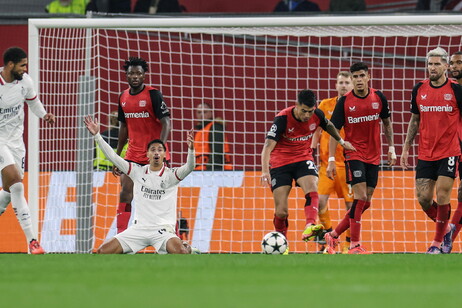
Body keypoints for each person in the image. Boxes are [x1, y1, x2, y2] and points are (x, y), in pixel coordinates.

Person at [84, 115, 196, 254]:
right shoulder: (137, 172)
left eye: (160, 150)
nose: (156, 152)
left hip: (163, 231)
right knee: (102, 252)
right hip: (138, 230)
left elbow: (190, 167)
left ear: (164, 154)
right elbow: (113, 157)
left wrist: (191, 150)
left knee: (181, 253)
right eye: (153, 150)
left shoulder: (171, 175)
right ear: (147, 154)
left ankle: (187, 248)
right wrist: (97, 136)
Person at [261, 89, 355, 252]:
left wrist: (341, 141)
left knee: (312, 186)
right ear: (296, 105)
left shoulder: (316, 115)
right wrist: (265, 171)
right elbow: (268, 146)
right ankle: (281, 243)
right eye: (303, 111)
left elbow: (329, 125)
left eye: (310, 111)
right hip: (280, 163)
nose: (306, 115)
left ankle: (310, 225)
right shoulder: (282, 118)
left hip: (302, 159)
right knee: (281, 211)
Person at [324, 62, 396, 255]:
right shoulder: (345, 101)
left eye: (361, 76)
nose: (358, 80)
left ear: (368, 77)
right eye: (355, 77)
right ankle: (354, 244)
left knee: (366, 201)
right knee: (360, 197)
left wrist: (391, 148)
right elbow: (333, 129)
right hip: (353, 153)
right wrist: (332, 157)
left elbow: (387, 123)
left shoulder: (378, 97)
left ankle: (334, 234)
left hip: (374, 156)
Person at [400, 47, 462, 254]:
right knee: (423, 198)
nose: (432, 67)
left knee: (443, 194)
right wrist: (406, 147)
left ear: (446, 66)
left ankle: (436, 243)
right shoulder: (419, 89)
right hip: (425, 152)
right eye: (430, 64)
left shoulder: (456, 90)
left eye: (437, 64)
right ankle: (446, 228)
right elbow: (415, 119)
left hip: (450, 151)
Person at [0, 47, 56, 254]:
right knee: (16, 182)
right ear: (10, 65)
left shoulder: (25, 82)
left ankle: (33, 242)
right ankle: (33, 241)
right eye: (22, 65)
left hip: (16, 144)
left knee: (10, 191)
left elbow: (33, 103)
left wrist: (44, 115)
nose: (25, 68)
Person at [115, 57, 171, 234]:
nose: (135, 76)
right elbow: (123, 127)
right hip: (132, 154)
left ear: (144, 75)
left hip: (153, 155)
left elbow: (166, 122)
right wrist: (117, 157)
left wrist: (158, 149)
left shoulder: (153, 94)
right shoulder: (123, 97)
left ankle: (172, 234)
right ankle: (120, 235)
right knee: (125, 193)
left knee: (161, 198)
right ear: (126, 75)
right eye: (131, 73)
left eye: (139, 73)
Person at [310, 71, 354, 253]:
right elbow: (317, 131)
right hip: (326, 165)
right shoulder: (324, 105)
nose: (343, 85)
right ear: (336, 85)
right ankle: (329, 237)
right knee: (319, 202)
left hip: (348, 164)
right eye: (340, 82)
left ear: (352, 85)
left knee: (351, 206)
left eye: (346, 82)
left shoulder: (355, 106)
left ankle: (348, 243)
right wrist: (310, 151)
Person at [437, 50, 462, 253]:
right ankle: (448, 236)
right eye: (452, 63)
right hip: (454, 148)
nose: (454, 66)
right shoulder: (450, 89)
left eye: (459, 63)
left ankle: (448, 237)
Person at [194, 102, 233, 171]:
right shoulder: (200, 131)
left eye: (205, 112)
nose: (201, 115)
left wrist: (213, 171)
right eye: (199, 112)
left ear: (211, 113)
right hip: (200, 171)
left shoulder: (215, 127)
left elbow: (217, 151)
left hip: (213, 171)